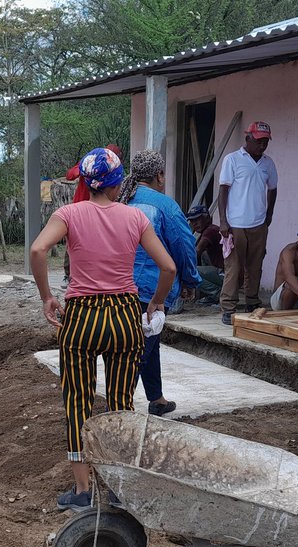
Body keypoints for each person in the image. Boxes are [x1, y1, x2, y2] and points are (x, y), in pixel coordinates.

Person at [30, 147, 176, 510]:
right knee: (121, 405)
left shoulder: (68, 214)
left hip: (81, 316)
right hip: (125, 315)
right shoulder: (135, 218)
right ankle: (117, 488)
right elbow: (169, 267)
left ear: (85, 182)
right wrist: (156, 302)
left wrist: (48, 296)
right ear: (116, 183)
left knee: (78, 400)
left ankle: (82, 493)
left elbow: (37, 250)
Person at [119, 150, 201, 416]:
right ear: (159, 175)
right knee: (140, 349)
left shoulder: (121, 201)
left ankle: (157, 399)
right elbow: (183, 245)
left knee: (148, 342)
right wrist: (190, 280)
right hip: (152, 288)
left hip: (119, 287)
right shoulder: (165, 206)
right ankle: (120, 409)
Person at [218, 121, 278, 324]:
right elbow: (223, 190)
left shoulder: (268, 163)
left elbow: (273, 189)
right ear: (248, 139)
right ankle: (228, 307)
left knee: (255, 266)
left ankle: (252, 301)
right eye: (259, 141)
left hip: (258, 223)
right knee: (234, 267)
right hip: (235, 223)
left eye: (265, 142)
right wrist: (223, 221)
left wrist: (269, 215)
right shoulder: (233, 160)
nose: (262, 146)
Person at [63, 144, 123, 283]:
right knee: (73, 241)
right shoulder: (89, 164)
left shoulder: (112, 175)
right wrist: (84, 168)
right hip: (81, 208)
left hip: (100, 208)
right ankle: (69, 274)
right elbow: (70, 175)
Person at [187, 205, 224, 304]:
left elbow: (196, 252)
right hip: (226, 272)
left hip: (225, 273)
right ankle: (213, 294)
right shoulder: (210, 229)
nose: (194, 224)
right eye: (192, 221)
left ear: (207, 218)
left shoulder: (210, 231)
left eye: (198, 220)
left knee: (190, 272)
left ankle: (217, 293)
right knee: (204, 256)